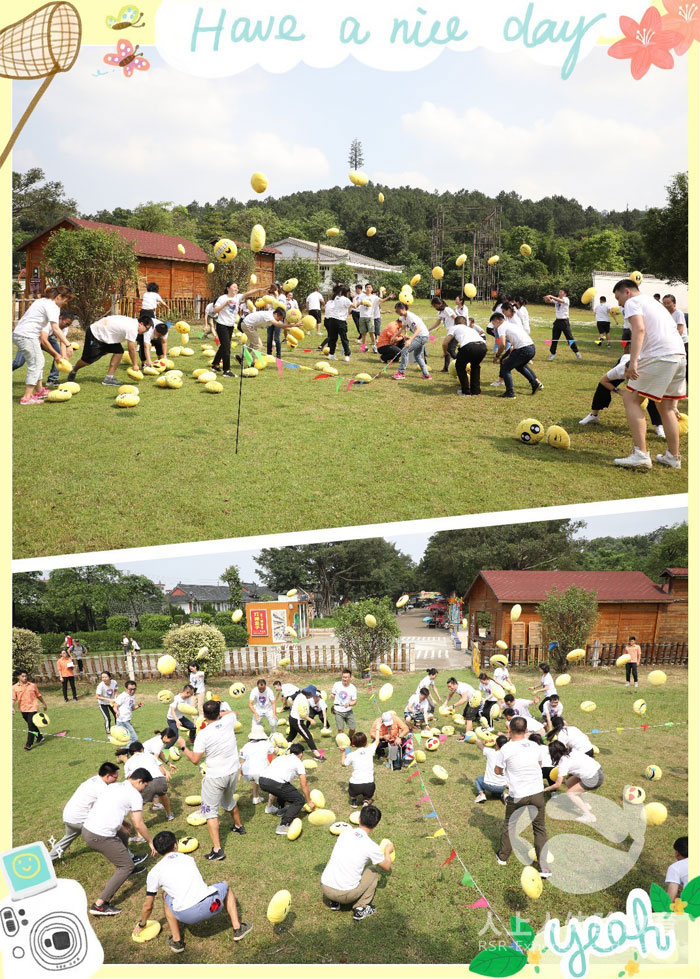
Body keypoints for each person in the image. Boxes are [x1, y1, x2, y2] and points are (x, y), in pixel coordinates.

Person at [134, 831, 252, 953]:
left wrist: (142, 924)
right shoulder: (188, 858)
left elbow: (148, 906)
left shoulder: (154, 872)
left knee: (165, 896)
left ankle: (177, 941)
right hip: (212, 906)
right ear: (176, 845)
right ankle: (237, 928)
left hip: (186, 916)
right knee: (225, 886)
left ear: (158, 851)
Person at [612, 278, 686, 470]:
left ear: (627, 292)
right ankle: (673, 456)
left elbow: (639, 329)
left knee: (631, 399)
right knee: (666, 407)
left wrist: (634, 361)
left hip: (660, 356)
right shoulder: (654, 303)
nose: (619, 303)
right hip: (679, 355)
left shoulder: (633, 302)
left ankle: (641, 455)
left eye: (618, 298)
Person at [177, 699, 245, 860]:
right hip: (232, 772)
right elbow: (234, 712)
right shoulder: (228, 720)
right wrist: (221, 714)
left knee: (210, 812)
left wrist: (183, 746)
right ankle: (239, 826)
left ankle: (217, 850)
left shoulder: (203, 734)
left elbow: (195, 760)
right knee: (228, 799)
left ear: (204, 715)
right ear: (219, 712)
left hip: (215, 777)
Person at [82, 768, 156, 916]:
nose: (144, 789)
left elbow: (108, 806)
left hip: (87, 828)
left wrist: (121, 822)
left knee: (123, 833)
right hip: (100, 836)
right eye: (145, 785)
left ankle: (128, 862)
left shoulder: (115, 786)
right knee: (125, 866)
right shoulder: (135, 795)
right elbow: (138, 824)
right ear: (140, 781)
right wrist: (150, 841)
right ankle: (100, 904)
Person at [494, 717, 550, 874]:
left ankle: (503, 857)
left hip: (518, 794)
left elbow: (497, 771)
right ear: (526, 731)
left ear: (509, 730)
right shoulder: (535, 746)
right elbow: (539, 765)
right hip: (537, 792)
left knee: (510, 825)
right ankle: (544, 868)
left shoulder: (505, 749)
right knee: (539, 828)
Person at [320, 804, 394, 920]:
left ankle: (334, 902)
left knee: (335, 858)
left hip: (326, 888)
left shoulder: (344, 833)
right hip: (345, 895)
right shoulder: (371, 846)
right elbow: (386, 866)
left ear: (359, 819)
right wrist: (387, 851)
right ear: (376, 824)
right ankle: (360, 908)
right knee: (373, 871)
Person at [12, 286, 75, 404]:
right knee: (36, 364)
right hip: (27, 335)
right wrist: (68, 344)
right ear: (59, 297)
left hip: (24, 334)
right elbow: (55, 328)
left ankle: (39, 390)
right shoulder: (53, 306)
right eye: (66, 300)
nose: (65, 303)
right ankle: (27, 397)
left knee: (39, 361)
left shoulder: (42, 301)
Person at [579, 352, 665, 437]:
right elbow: (603, 381)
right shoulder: (619, 370)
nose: (627, 374)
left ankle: (659, 425)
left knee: (652, 396)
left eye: (630, 373)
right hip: (627, 358)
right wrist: (619, 391)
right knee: (602, 386)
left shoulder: (647, 374)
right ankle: (594, 415)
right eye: (626, 371)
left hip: (643, 367)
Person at [49, 763, 121, 861]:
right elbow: (107, 809)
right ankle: (127, 856)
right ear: (108, 776)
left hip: (69, 817)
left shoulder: (94, 779)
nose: (117, 780)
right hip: (79, 819)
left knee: (67, 838)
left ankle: (49, 859)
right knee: (110, 831)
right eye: (115, 777)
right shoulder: (102, 788)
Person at [67, 312, 152, 386]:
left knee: (119, 351)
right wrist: (135, 364)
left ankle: (109, 378)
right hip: (96, 333)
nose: (146, 331)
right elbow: (131, 349)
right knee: (87, 360)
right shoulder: (133, 328)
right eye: (147, 329)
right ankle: (73, 370)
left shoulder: (132, 323)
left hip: (107, 335)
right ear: (141, 324)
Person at [258, 742, 315, 835]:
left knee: (285, 787)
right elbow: (304, 784)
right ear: (301, 754)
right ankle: (283, 825)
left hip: (262, 780)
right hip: (275, 783)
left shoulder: (281, 757)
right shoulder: (298, 762)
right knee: (299, 800)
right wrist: (308, 802)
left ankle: (281, 809)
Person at [545, 740, 604, 823]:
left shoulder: (563, 763)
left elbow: (557, 785)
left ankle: (589, 816)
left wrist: (544, 789)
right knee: (569, 783)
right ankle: (584, 804)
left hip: (594, 778)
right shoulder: (572, 751)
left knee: (571, 793)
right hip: (597, 770)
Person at [491, 311, 543, 399]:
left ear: (497, 321)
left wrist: (497, 355)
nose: (494, 326)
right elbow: (514, 345)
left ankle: (510, 393)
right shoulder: (511, 325)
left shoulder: (501, 327)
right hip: (531, 348)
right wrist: (508, 357)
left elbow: (502, 344)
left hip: (523, 349)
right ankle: (535, 384)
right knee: (519, 366)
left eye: (493, 324)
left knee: (505, 368)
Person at [125, 742, 174, 822]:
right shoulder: (150, 755)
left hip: (144, 783)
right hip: (159, 780)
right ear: (142, 749)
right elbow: (161, 770)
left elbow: (130, 779)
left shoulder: (128, 762)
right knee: (163, 794)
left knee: (139, 803)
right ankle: (169, 814)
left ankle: (137, 823)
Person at [444, 315, 487, 396]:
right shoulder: (470, 329)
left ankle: (466, 391)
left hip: (469, 346)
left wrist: (445, 352)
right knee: (475, 366)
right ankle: (476, 391)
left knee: (460, 366)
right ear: (465, 323)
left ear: (455, 323)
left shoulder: (454, 327)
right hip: (482, 346)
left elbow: (445, 343)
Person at [392, 302, 431, 380]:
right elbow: (403, 328)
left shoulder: (410, 317)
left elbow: (418, 329)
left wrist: (410, 340)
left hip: (422, 336)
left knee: (404, 351)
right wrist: (394, 336)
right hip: (422, 336)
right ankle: (426, 375)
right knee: (417, 355)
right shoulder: (404, 317)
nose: (397, 312)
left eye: (398, 311)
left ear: (403, 309)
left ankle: (401, 373)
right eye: (396, 311)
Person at [12, 670, 48, 750]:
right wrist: (11, 707)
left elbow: (38, 695)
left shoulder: (32, 685)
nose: (25, 678)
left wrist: (44, 703)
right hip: (23, 709)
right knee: (32, 725)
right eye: (23, 676)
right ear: (18, 677)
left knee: (30, 726)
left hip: (33, 708)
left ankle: (29, 744)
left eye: (26, 676)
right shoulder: (14, 687)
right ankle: (40, 737)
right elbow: (13, 698)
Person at [342, 730, 381, 805]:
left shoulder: (351, 755)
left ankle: (353, 800)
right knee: (368, 795)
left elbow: (343, 764)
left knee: (352, 792)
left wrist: (343, 752)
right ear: (366, 742)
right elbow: (377, 741)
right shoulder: (370, 750)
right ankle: (366, 800)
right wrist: (378, 728)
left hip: (355, 785)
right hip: (369, 785)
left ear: (353, 744)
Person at [211, 282, 241, 376]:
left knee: (224, 346)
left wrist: (260, 289)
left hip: (230, 326)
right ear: (228, 288)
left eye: (237, 287)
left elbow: (248, 293)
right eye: (234, 287)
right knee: (227, 347)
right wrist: (226, 303)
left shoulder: (237, 297)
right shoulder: (222, 298)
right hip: (222, 325)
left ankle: (215, 364)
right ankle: (227, 370)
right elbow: (215, 311)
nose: (236, 289)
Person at [239, 723, 273, 806]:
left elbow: (242, 761)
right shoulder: (266, 744)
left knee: (255, 778)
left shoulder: (246, 745)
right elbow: (273, 752)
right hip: (261, 772)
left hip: (248, 773)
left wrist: (240, 773)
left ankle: (255, 797)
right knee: (273, 781)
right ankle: (271, 804)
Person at [544, 288, 581, 360]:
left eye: (561, 292)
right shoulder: (557, 299)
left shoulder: (566, 299)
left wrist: (551, 296)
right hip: (557, 321)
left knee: (569, 338)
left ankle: (576, 352)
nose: (559, 292)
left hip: (564, 321)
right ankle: (553, 353)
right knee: (555, 338)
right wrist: (546, 298)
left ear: (565, 293)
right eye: (559, 291)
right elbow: (548, 301)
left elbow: (560, 301)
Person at [288, 686, 323, 758]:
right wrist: (311, 720)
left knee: (292, 735)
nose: (311, 697)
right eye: (311, 695)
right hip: (297, 720)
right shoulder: (303, 700)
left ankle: (283, 748)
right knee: (308, 736)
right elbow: (302, 714)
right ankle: (317, 755)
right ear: (308, 693)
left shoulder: (301, 695)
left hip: (292, 718)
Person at [662, 294, 689, 384]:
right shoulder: (665, 314)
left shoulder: (678, 313)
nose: (666, 305)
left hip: (682, 343)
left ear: (674, 303)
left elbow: (680, 329)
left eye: (668, 303)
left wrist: (673, 342)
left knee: (685, 367)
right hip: (671, 343)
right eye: (664, 303)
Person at [474, 734, 508, 803]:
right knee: (496, 791)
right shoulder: (509, 756)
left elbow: (480, 745)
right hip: (502, 787)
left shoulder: (491, 752)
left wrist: (476, 738)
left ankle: (482, 795)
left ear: (496, 744)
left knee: (478, 779)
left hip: (489, 785)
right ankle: (504, 795)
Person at [324, 284, 354, 362]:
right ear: (346, 292)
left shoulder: (336, 298)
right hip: (340, 321)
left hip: (332, 320)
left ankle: (331, 354)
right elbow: (355, 306)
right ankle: (347, 355)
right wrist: (353, 298)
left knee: (333, 338)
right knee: (344, 338)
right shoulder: (346, 299)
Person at [430, 297, 458, 371]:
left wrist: (454, 328)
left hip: (455, 332)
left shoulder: (447, 309)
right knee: (446, 349)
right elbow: (438, 322)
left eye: (435, 305)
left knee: (451, 350)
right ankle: (446, 368)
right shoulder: (440, 313)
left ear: (440, 304)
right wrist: (429, 329)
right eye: (433, 306)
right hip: (450, 332)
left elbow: (456, 318)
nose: (435, 307)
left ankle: (463, 362)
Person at [114, 680, 144, 744]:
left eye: (134, 689)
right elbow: (115, 706)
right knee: (134, 738)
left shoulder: (132, 697)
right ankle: (128, 749)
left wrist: (139, 705)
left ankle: (125, 749)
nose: (132, 691)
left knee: (126, 739)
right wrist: (116, 712)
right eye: (130, 689)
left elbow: (132, 708)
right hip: (122, 721)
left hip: (127, 720)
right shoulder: (122, 696)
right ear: (126, 688)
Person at [331, 669, 358, 739]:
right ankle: (341, 742)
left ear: (350, 678)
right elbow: (333, 693)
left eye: (346, 677)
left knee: (353, 729)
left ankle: (350, 738)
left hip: (348, 711)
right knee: (340, 730)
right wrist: (332, 695)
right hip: (338, 711)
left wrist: (349, 704)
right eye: (343, 677)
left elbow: (355, 701)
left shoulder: (353, 688)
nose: (344, 679)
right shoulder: (336, 684)